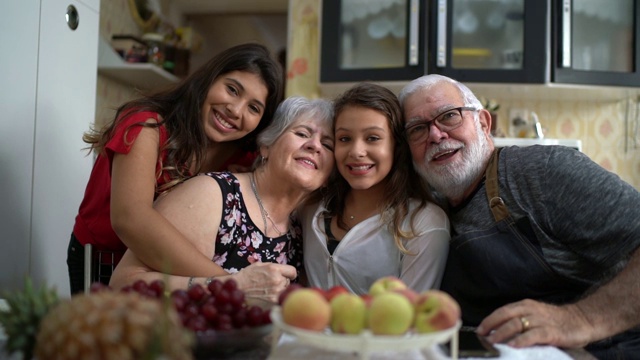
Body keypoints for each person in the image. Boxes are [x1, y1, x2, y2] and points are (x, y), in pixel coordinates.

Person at [398, 74, 640, 359]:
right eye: (417, 129)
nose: (436, 135)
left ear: (484, 123)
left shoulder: (543, 172)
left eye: (449, 116)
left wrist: (580, 319)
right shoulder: (426, 207)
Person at [67, 43, 284, 294]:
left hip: (170, 275)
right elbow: (130, 220)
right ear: (209, 79)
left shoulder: (245, 158)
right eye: (232, 90)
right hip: (102, 263)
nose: (236, 111)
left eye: (254, 108)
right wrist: (231, 284)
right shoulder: (146, 126)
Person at [109, 96, 335, 302]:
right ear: (266, 146)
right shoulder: (213, 194)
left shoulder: (304, 227)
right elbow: (123, 284)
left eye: (327, 144)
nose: (314, 145)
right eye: (302, 133)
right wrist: (229, 286)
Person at [302, 83, 450, 295]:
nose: (356, 151)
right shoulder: (311, 206)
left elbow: (407, 319)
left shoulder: (424, 223)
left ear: (396, 146)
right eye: (344, 139)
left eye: (372, 138)